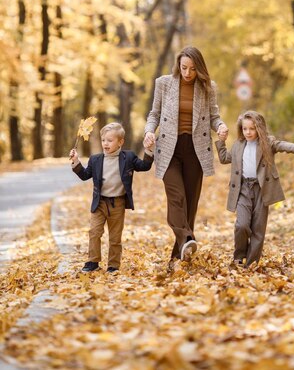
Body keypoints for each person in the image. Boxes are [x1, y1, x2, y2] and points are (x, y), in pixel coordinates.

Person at [144, 46, 228, 264]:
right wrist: (148, 132)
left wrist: (220, 127)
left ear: (199, 68)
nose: (188, 73)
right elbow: (155, 113)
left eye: (192, 69)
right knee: (176, 197)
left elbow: (214, 116)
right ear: (178, 65)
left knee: (190, 203)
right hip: (169, 148)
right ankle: (188, 238)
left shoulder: (208, 88)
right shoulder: (163, 83)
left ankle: (179, 254)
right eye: (184, 68)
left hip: (195, 149)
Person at [216, 110, 294, 268]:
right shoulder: (238, 145)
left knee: (258, 228)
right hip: (243, 189)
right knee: (241, 225)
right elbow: (224, 158)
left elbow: (283, 145)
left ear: (259, 128)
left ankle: (251, 262)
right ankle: (239, 256)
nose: (248, 132)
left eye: (252, 129)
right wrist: (221, 141)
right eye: (245, 129)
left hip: (262, 189)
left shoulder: (267, 143)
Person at [69, 122, 153, 273]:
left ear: (120, 142)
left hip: (118, 203)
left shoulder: (128, 157)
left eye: (110, 140)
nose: (105, 144)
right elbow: (84, 175)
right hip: (99, 202)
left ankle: (113, 265)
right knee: (94, 232)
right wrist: (76, 162)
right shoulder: (96, 159)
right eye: (103, 140)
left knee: (115, 237)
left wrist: (148, 150)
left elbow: (144, 166)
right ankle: (93, 261)